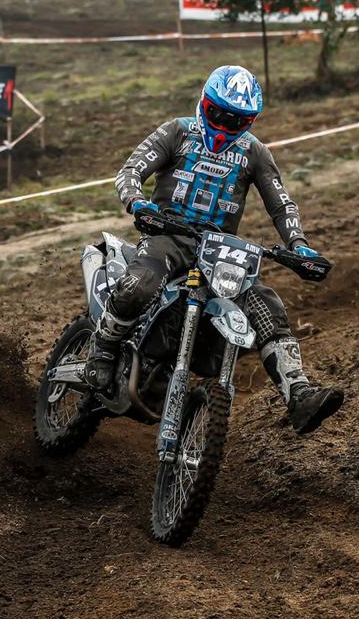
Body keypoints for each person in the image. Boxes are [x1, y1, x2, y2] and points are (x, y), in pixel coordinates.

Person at [84, 64, 344, 435]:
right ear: (205, 103)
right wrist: (138, 203)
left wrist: (298, 245)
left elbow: (281, 204)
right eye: (218, 114)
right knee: (140, 284)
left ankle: (299, 394)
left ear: (249, 121)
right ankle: (104, 347)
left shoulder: (255, 153)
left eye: (235, 120)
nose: (223, 125)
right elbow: (129, 172)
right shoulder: (177, 131)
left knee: (266, 304)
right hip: (167, 233)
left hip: (220, 248)